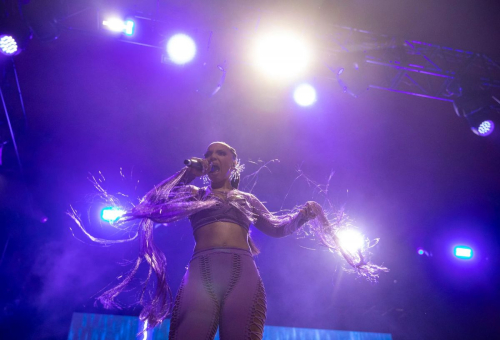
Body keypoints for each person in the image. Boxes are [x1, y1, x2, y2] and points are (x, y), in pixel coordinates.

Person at [71, 141, 386, 339]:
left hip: (241, 273)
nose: (212, 157)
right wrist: (188, 174)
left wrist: (303, 215)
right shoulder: (195, 193)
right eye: (208, 154)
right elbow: (152, 203)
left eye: (220, 153)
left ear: (234, 162)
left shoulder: (246, 199)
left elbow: (277, 228)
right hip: (200, 274)